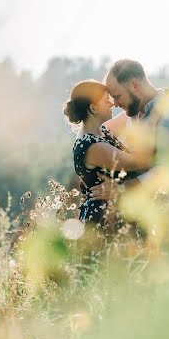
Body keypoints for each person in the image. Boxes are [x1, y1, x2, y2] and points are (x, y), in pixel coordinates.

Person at [89, 59, 169, 211]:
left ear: (135, 86)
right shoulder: (133, 114)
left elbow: (166, 171)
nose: (116, 104)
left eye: (117, 96)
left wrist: (118, 189)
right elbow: (101, 129)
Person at [63, 79, 153, 230]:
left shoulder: (101, 131)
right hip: (103, 221)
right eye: (107, 101)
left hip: (115, 215)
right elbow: (138, 162)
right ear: (93, 108)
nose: (113, 104)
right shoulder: (93, 146)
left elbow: (131, 111)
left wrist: (158, 98)